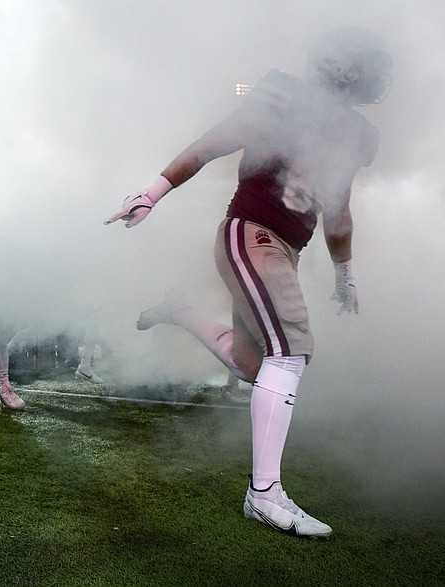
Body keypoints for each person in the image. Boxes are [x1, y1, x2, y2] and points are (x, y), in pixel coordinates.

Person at [106, 26, 393, 539]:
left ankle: (177, 312)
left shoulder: (353, 136)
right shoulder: (284, 97)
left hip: (283, 247)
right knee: (291, 350)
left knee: (254, 362)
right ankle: (264, 495)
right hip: (253, 233)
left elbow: (339, 211)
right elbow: (212, 144)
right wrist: (152, 191)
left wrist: (345, 273)